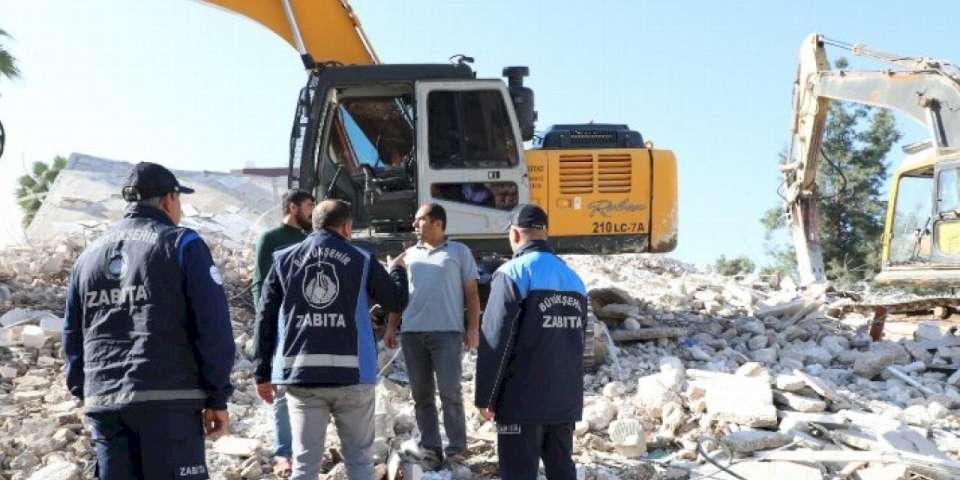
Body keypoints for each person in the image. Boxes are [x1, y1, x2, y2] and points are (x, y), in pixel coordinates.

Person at [63, 162, 235, 480]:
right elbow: (213, 326)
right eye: (179, 200)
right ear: (169, 199)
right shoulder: (181, 244)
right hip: (168, 403)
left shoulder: (87, 257)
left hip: (105, 402)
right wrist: (217, 395)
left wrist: (83, 389)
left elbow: (73, 333)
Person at [254, 199, 408, 480]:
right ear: (347, 227)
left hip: (302, 378)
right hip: (353, 377)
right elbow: (396, 300)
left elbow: (265, 317)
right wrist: (398, 270)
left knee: (304, 465)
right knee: (360, 463)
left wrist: (262, 372)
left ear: (313, 224)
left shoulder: (284, 258)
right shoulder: (361, 259)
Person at [474, 204, 588, 480]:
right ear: (545, 234)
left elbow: (495, 339)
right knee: (562, 471)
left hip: (521, 401)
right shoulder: (574, 279)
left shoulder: (512, 273)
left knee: (518, 473)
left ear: (515, 235)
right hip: (564, 400)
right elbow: (577, 342)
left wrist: (485, 397)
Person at [383, 203, 480, 470]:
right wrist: (392, 327)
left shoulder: (459, 252)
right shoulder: (408, 255)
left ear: (437, 223)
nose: (415, 225)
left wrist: (473, 328)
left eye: (420, 220)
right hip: (413, 335)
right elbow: (398, 295)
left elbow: (472, 294)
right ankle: (431, 450)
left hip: (447, 334)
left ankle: (457, 450)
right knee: (422, 396)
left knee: (450, 392)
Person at [252, 189, 315, 478]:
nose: (312, 212)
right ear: (293, 208)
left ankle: (307, 448)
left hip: (308, 327)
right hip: (280, 328)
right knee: (279, 389)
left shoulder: (310, 239)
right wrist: (268, 325)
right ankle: (283, 451)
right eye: (308, 206)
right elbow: (260, 287)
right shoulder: (271, 239)